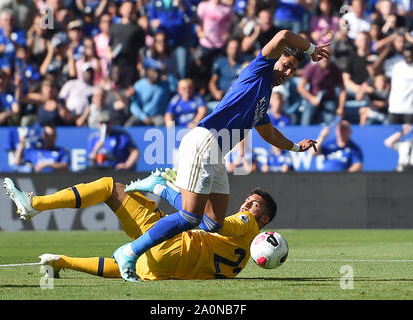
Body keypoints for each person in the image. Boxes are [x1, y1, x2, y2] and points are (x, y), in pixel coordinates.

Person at [114, 29, 329, 282]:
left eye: (293, 70)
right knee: (189, 217)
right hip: (205, 141)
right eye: (286, 64)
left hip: (217, 153)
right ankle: (128, 252)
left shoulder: (264, 95)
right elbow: (282, 35)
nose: (288, 72)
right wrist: (312, 50)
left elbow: (269, 133)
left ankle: (160, 186)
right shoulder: (258, 70)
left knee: (213, 223)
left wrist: (295, 147)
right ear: (276, 59)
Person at [3, 168, 276, 281]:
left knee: (110, 187)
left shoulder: (247, 224)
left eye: (254, 205)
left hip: (175, 245)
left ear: (263, 220)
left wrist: (167, 189)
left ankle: (35, 204)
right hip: (167, 269)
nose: (246, 206)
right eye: (247, 201)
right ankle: (59, 260)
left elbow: (209, 222)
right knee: (127, 262)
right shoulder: (240, 263)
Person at [297, 47, 346, 126]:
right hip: (313, 98)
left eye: (328, 55)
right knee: (305, 122)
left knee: (331, 123)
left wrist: (341, 107)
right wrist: (312, 99)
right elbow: (300, 87)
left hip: (329, 99)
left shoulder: (336, 70)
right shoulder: (311, 68)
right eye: (323, 55)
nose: (325, 58)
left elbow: (343, 90)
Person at [125, 58, 170, 127]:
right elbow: (133, 106)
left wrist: (166, 72)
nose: (156, 74)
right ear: (147, 71)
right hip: (142, 115)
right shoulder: (139, 85)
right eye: (153, 71)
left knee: (165, 124)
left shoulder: (166, 84)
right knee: (128, 126)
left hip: (158, 117)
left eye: (158, 71)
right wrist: (144, 117)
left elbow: (179, 85)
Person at [387, 44, 413, 124]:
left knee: (409, 136)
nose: (408, 58)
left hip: (410, 109)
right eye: (406, 56)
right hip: (395, 108)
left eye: (410, 56)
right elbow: (373, 69)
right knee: (393, 135)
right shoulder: (396, 67)